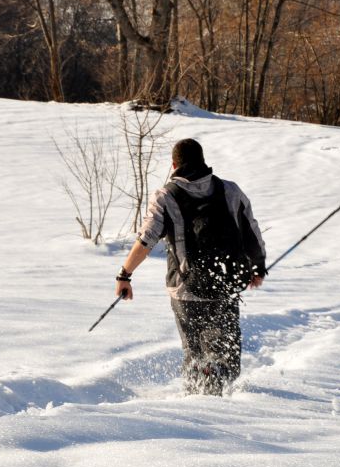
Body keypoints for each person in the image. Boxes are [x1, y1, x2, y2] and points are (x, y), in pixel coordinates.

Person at [114, 138, 266, 395]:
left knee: (194, 352)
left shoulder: (166, 196)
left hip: (185, 288)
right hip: (224, 284)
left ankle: (194, 400)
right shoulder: (230, 191)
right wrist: (257, 268)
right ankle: (217, 390)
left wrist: (125, 275)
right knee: (225, 355)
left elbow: (146, 240)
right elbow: (251, 231)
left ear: (174, 164)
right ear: (203, 161)